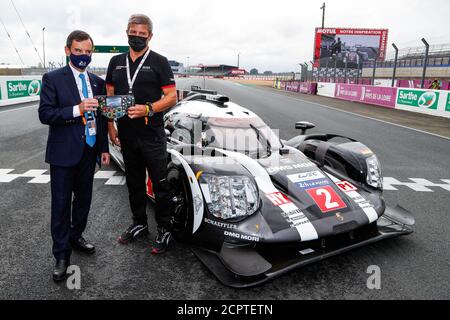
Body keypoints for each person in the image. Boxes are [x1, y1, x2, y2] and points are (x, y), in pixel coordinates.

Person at [38, 30, 110, 282]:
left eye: (87, 51)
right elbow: (46, 114)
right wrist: (76, 110)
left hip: (88, 152)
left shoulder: (98, 83)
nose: (83, 55)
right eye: (78, 50)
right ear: (68, 50)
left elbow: (101, 120)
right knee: (60, 205)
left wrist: (103, 148)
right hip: (62, 153)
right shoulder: (52, 78)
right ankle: (61, 255)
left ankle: (76, 235)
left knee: (83, 201)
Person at [106, 14, 177, 254]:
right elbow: (110, 97)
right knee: (134, 183)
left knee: (160, 183)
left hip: (152, 135)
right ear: (127, 32)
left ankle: (165, 229)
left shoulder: (160, 61)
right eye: (132, 33)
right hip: (126, 133)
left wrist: (148, 108)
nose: (136, 38)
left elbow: (171, 97)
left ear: (150, 36)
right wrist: (111, 126)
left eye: (141, 34)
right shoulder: (116, 61)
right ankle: (139, 224)